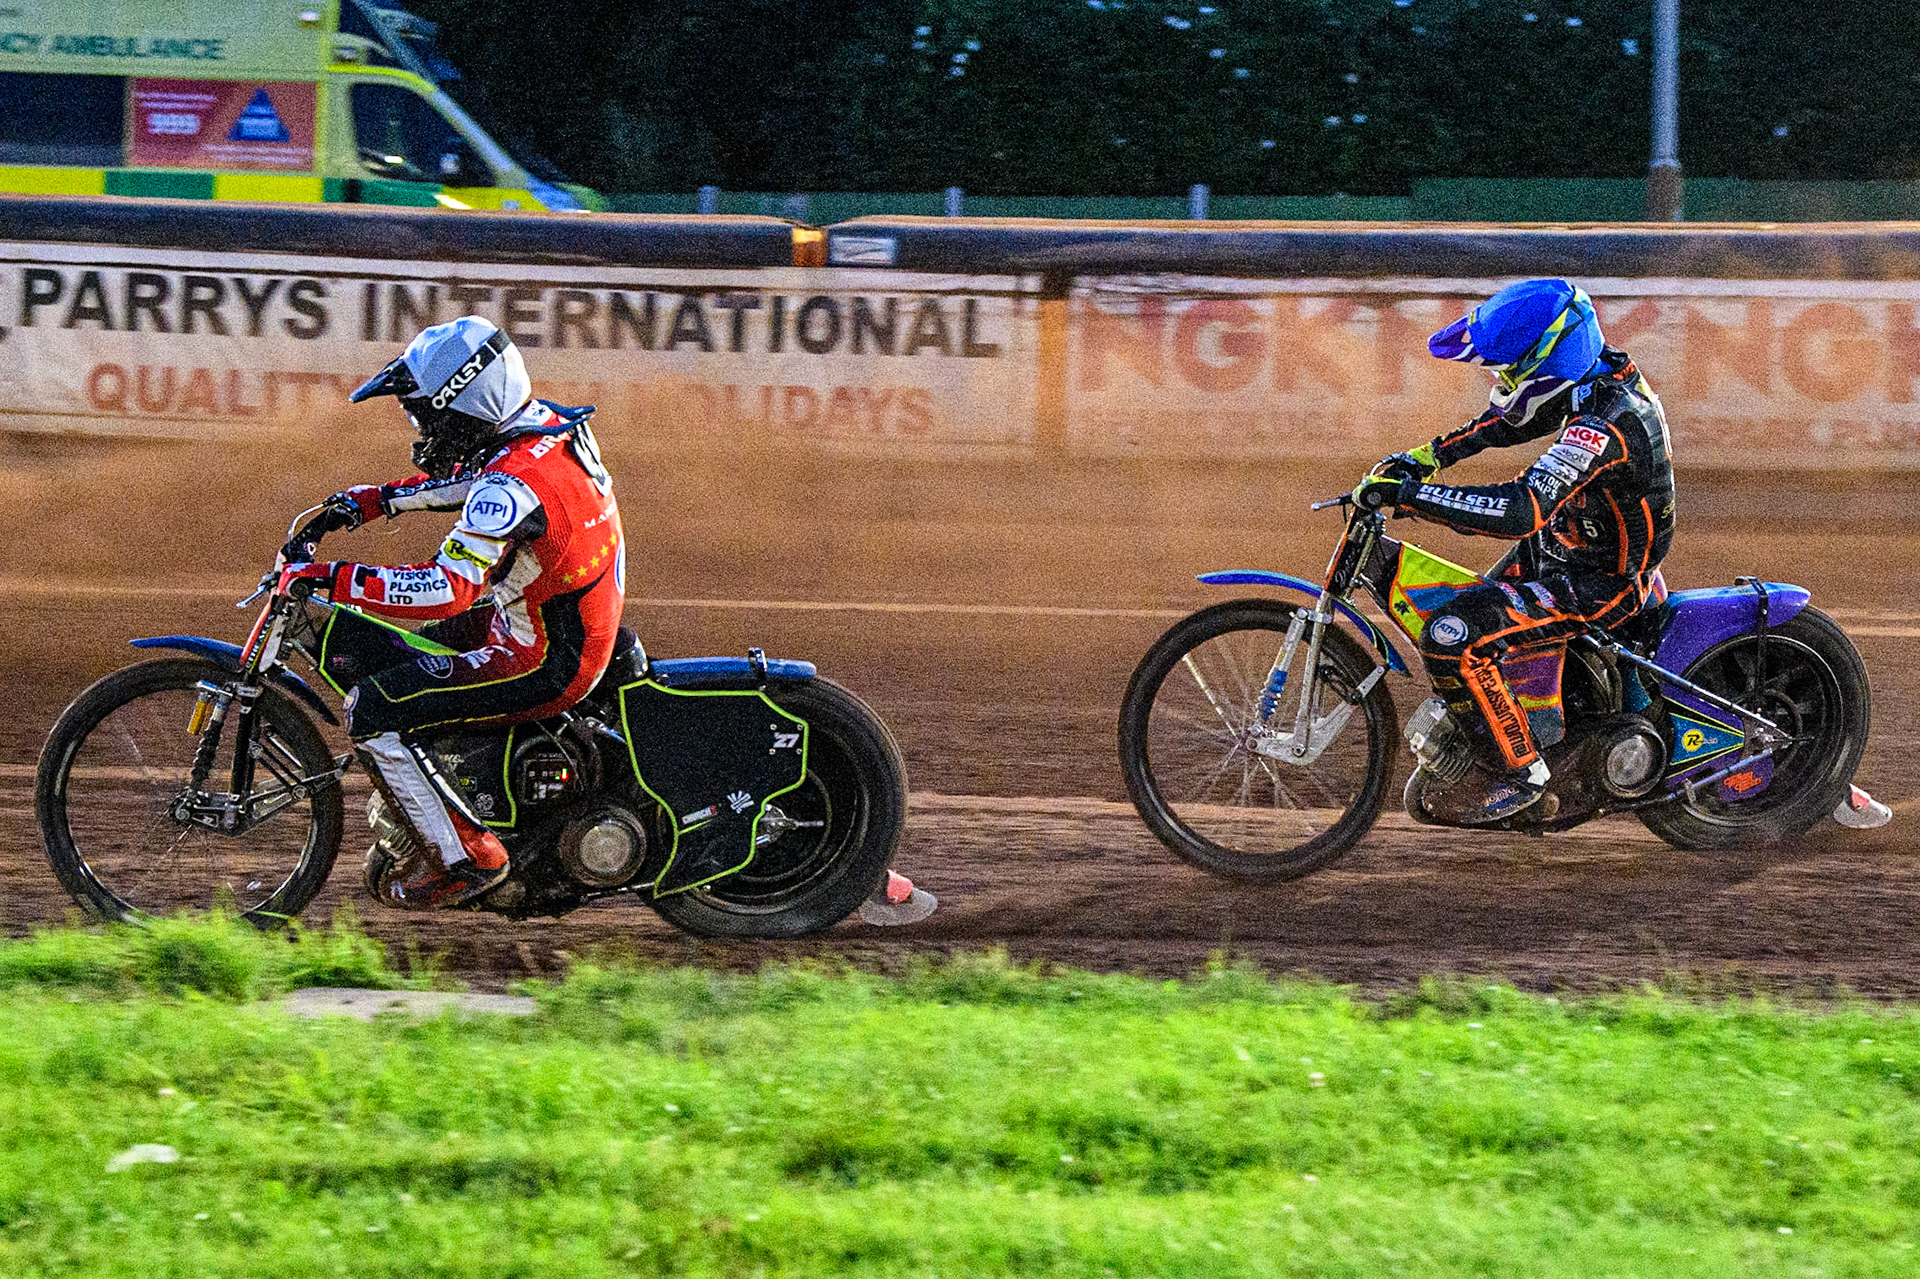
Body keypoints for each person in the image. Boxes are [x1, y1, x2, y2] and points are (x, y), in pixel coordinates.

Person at [278, 315, 625, 906]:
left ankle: (468, 859)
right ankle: (453, 795)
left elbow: (446, 588)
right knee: (406, 659)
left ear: (463, 405)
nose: (420, 430)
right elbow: (475, 479)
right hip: (554, 618)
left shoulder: (511, 486)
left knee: (375, 707)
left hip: (545, 656)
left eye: (426, 416)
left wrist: (334, 578)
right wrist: (365, 504)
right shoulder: (541, 428)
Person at [1350, 278, 1675, 823]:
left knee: (1452, 637)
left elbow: (1522, 509)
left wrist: (1414, 495)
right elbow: (1506, 422)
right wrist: (1424, 458)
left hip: (1603, 583)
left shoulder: (1608, 422)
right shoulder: (1590, 377)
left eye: (1509, 372)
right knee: (1479, 607)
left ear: (1548, 359)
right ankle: (1539, 723)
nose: (1502, 383)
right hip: (1567, 551)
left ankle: (1520, 774)